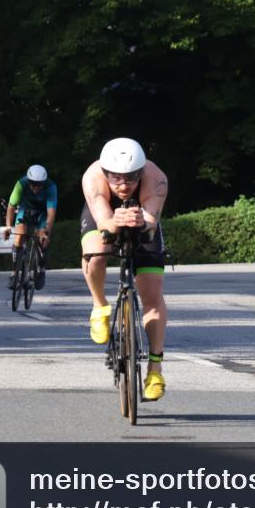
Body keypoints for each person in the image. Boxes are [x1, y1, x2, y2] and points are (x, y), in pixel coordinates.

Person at [80, 138, 169, 401]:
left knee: (152, 294)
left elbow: (151, 223)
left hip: (142, 219)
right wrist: (113, 223)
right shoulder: (93, 177)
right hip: (104, 216)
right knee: (95, 254)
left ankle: (155, 368)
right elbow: (103, 223)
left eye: (130, 178)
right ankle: (99, 306)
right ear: (105, 172)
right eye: (115, 178)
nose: (122, 185)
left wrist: (143, 222)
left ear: (141, 172)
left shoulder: (156, 177)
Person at [3, 165, 57, 290]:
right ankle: (14, 273)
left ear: (44, 183)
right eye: (32, 184)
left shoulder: (51, 187)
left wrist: (47, 230)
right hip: (25, 209)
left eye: (38, 185)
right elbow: (11, 207)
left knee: (43, 240)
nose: (35, 187)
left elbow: (51, 213)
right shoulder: (21, 184)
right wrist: (8, 227)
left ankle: (40, 269)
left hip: (43, 213)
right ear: (28, 181)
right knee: (18, 238)